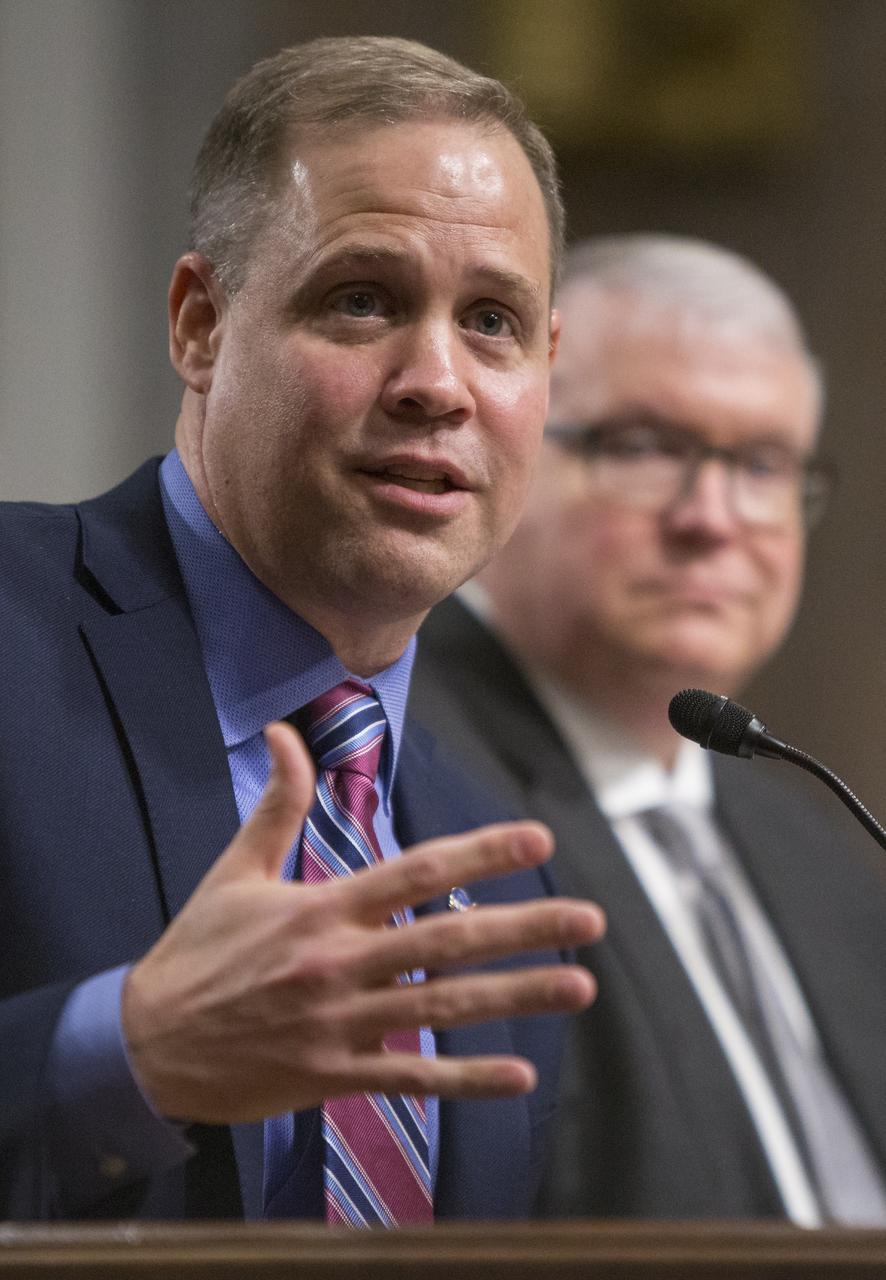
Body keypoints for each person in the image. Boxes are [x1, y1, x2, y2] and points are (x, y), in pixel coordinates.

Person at [0, 37, 608, 1224]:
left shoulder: (495, 852)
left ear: (544, 374)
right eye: (362, 298)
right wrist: (122, 1054)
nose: (436, 379)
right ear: (200, 324)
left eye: (490, 320)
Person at [412, 235, 886, 1224]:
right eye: (643, 446)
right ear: (509, 444)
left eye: (762, 463)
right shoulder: (400, 775)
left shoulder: (813, 843)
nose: (712, 516)